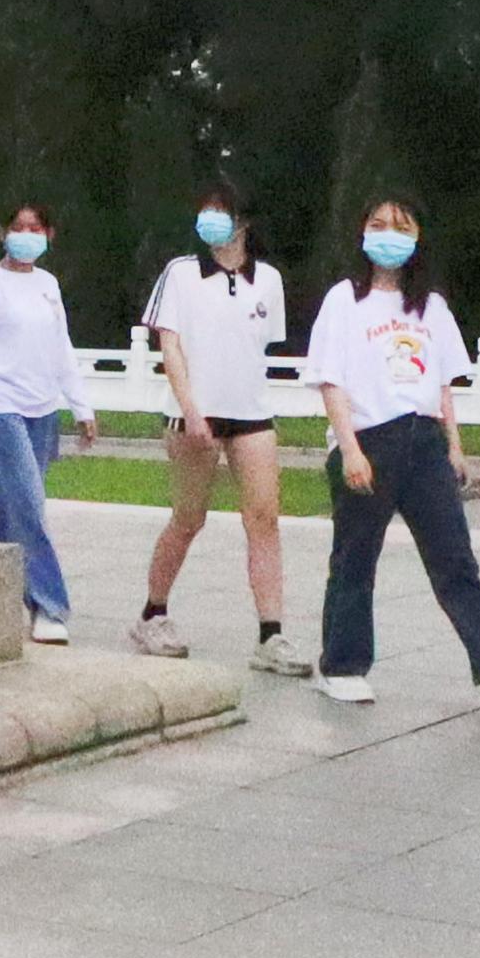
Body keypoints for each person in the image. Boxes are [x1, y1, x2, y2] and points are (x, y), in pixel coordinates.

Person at [309, 197, 480, 713]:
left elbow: (441, 382)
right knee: (355, 560)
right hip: (369, 438)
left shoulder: (429, 306)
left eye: (401, 226)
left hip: (424, 441)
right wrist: (349, 448)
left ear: (417, 239)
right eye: (378, 224)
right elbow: (330, 379)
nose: (388, 234)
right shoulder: (345, 300)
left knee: (454, 559)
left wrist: (454, 444)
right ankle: (342, 666)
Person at [129, 180, 308, 675]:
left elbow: (259, 346)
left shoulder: (267, 280)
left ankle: (271, 634)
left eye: (222, 211)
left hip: (251, 414)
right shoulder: (181, 273)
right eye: (206, 210)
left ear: (243, 221)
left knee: (264, 518)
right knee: (189, 518)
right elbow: (170, 346)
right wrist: (191, 409)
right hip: (193, 414)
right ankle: (152, 613)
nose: (212, 220)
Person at [0, 203, 98, 643]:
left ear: (49, 234)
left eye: (35, 228)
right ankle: (48, 605)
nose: (26, 235)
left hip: (42, 408)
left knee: (9, 507)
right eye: (17, 227)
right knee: (29, 507)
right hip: (0, 406)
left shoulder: (47, 285)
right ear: (2, 232)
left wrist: (81, 406)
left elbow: (61, 347)